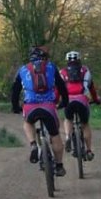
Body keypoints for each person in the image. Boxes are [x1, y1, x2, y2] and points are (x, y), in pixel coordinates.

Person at [9, 44, 68, 176]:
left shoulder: (23, 70)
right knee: (55, 135)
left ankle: (33, 144)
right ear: (45, 58)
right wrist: (65, 101)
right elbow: (62, 87)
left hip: (30, 107)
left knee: (27, 123)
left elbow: (15, 91)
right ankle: (59, 165)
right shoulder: (52, 67)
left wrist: (15, 107)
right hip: (48, 107)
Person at [58, 50, 101, 160]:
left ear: (67, 61)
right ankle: (89, 150)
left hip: (69, 101)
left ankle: (68, 136)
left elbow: (57, 89)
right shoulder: (85, 71)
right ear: (79, 60)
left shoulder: (62, 72)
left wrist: (56, 102)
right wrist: (96, 99)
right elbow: (91, 88)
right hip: (82, 100)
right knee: (85, 124)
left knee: (68, 119)